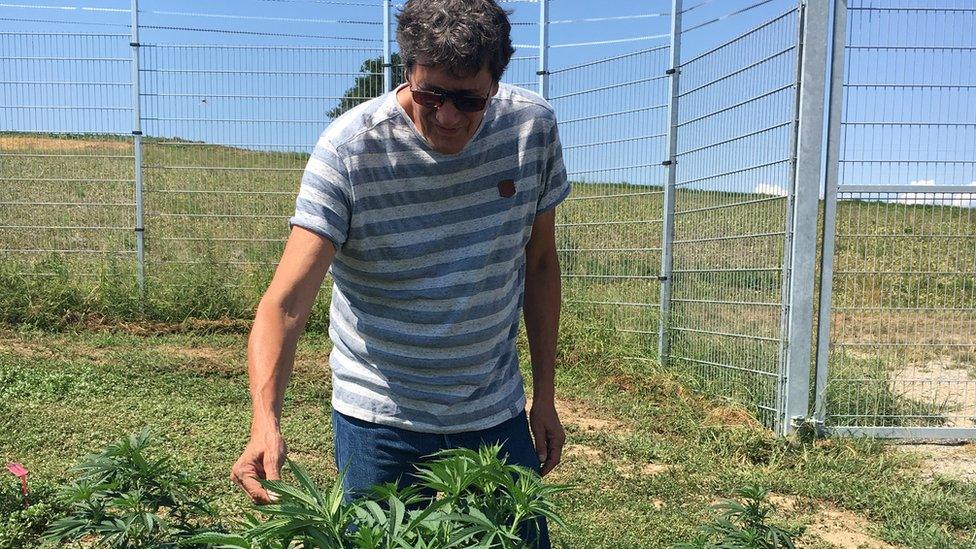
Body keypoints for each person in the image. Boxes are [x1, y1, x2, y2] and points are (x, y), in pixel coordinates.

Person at [230, 0, 569, 546]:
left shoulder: (531, 130)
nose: (449, 116)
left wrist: (545, 395)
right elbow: (286, 303)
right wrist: (265, 419)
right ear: (406, 70)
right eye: (431, 94)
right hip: (377, 416)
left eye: (469, 99)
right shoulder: (349, 150)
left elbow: (540, 263)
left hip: (491, 408)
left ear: (497, 84)